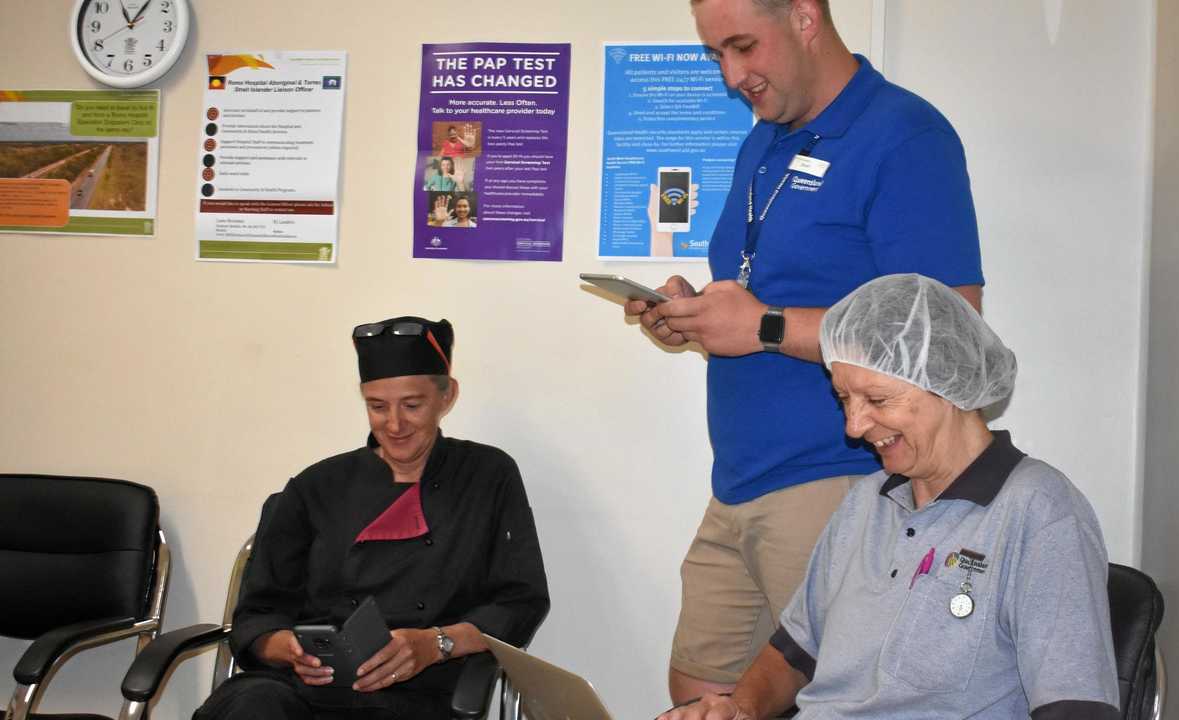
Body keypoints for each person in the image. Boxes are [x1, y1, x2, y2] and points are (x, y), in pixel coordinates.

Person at [625, 0, 984, 702]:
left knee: (850, 699)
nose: (733, 76)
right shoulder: (763, 142)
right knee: (702, 698)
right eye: (716, 55)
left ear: (805, 17)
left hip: (842, 478)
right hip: (738, 480)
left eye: (743, 47)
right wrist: (695, 315)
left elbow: (951, 328)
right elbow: (769, 293)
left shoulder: (905, 136)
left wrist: (761, 327)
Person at [662, 274, 1120, 719]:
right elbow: (795, 653)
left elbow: (1074, 706)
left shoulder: (1040, 513)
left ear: (948, 385)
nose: (854, 427)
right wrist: (738, 708)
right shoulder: (867, 502)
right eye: (844, 399)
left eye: (877, 401)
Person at [193, 316, 550, 720]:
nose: (394, 425)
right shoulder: (316, 486)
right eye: (377, 407)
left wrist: (436, 643)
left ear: (447, 396)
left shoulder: (487, 476)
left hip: (420, 692)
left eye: (412, 405)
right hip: (303, 689)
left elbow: (520, 600)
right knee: (250, 708)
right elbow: (257, 613)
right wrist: (285, 647)